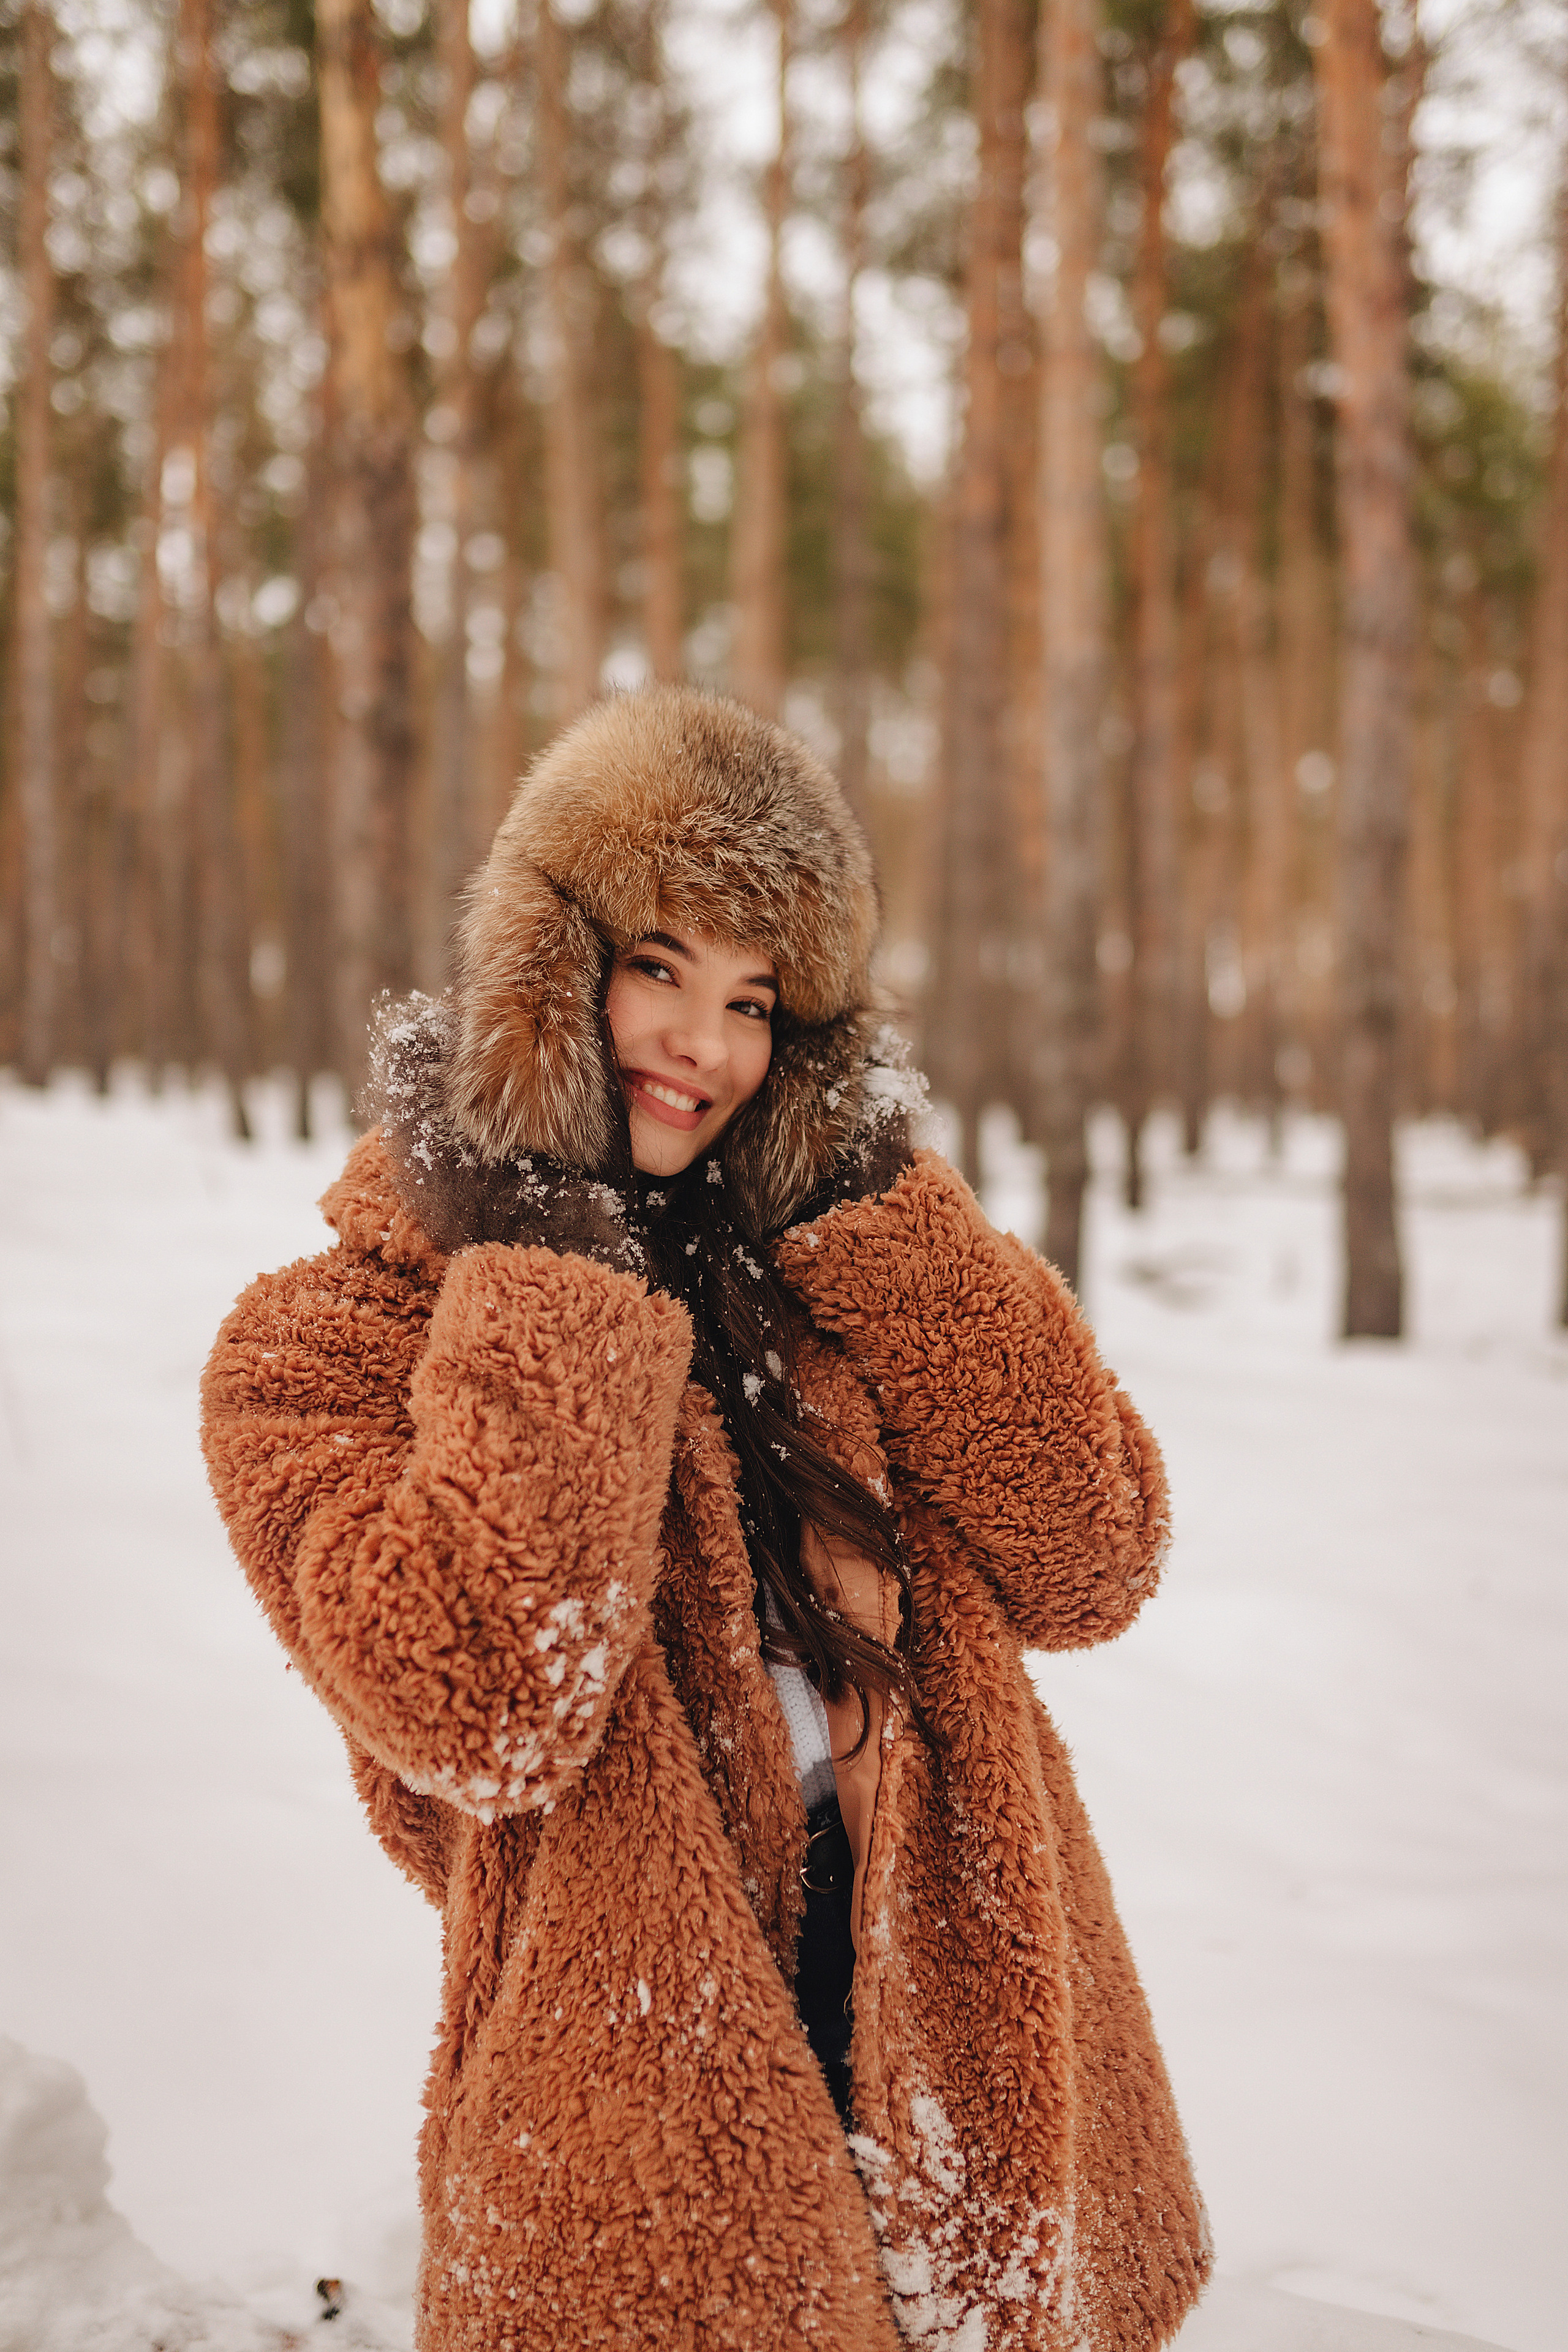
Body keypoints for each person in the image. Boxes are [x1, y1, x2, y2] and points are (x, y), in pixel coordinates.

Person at [202, 687, 1210, 2352]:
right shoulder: (329, 1343)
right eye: (657, 967)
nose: (703, 1045)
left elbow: (1092, 1555)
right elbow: (489, 1703)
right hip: (636, 2096)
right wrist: (543, 1249)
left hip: (959, 2042)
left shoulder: (834, 1280)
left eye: (755, 1003)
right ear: (540, 968)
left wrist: (874, 1205)